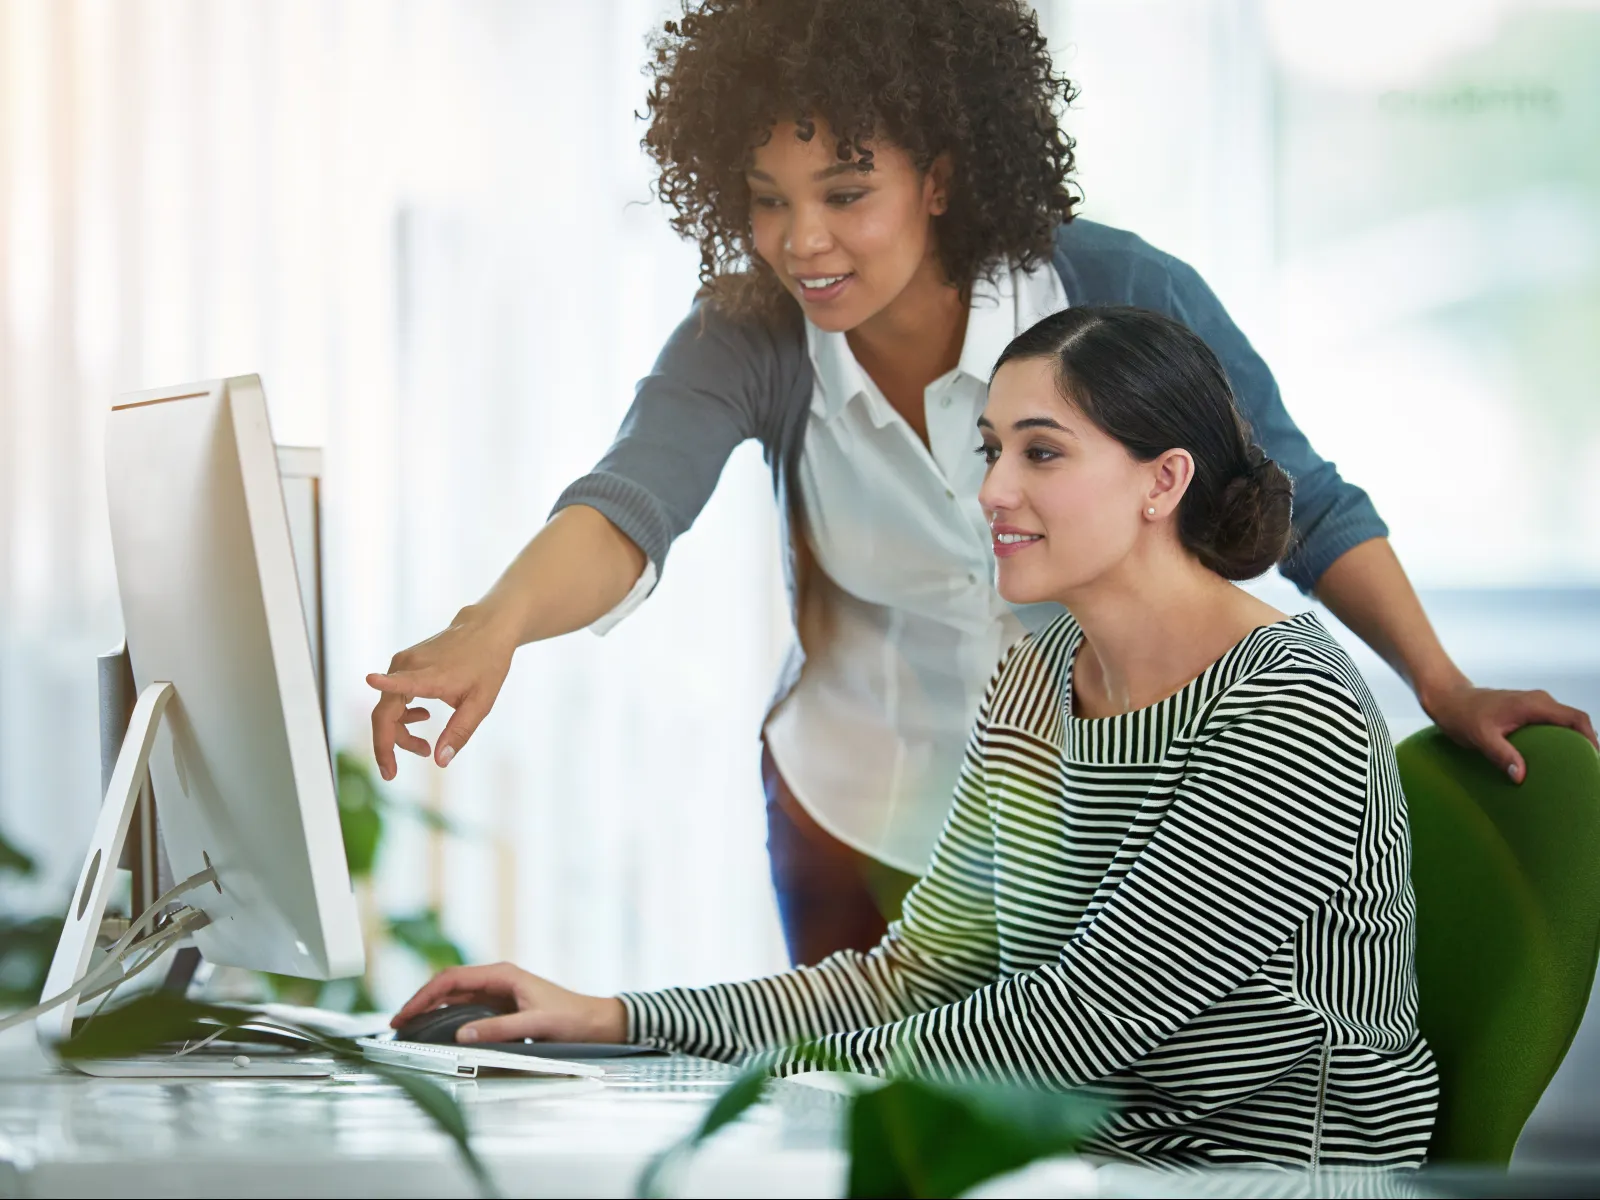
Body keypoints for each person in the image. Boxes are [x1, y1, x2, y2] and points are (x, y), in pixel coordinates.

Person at [367, 0, 1595, 968]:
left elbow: (1303, 505)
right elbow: (630, 502)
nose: (803, 242)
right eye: (766, 201)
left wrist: (1438, 683)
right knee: (872, 1139)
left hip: (1116, 814)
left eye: (846, 193)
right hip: (861, 814)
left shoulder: (1113, 296)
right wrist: (494, 631)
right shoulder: (746, 336)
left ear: (941, 176)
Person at [392, 306, 1440, 1167]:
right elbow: (918, 976)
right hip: (1079, 1164)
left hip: (1265, 1176)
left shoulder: (1285, 701)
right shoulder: (1037, 681)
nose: (990, 490)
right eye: (991, 450)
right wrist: (615, 1019)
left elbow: (1081, 1024)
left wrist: (787, 1081)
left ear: (1161, 481)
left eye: (1041, 452)